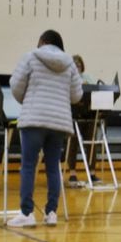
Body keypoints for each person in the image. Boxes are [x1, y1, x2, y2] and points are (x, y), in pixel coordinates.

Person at [7, 30, 83, 227]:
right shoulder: (70, 65)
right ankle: (51, 213)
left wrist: (28, 99)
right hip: (59, 123)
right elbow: (77, 96)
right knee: (53, 168)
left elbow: (15, 85)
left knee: (29, 166)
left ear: (42, 41)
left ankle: (26, 213)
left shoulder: (31, 56)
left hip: (34, 119)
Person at [65, 54, 100, 186]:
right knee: (72, 143)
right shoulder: (67, 79)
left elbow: (95, 90)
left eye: (79, 64)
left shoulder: (88, 77)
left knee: (91, 143)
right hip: (73, 116)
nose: (77, 66)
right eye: (74, 64)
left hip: (89, 115)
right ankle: (72, 173)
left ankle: (92, 173)